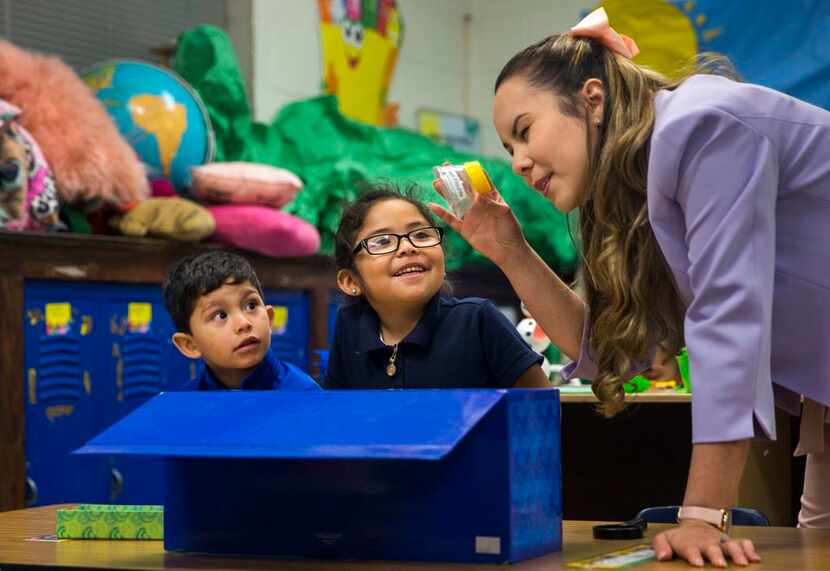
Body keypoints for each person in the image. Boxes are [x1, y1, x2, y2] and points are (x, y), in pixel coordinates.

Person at [431, 6, 830, 568]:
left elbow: (729, 316)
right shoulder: (642, 186)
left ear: (592, 99)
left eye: (524, 132)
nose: (519, 163)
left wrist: (700, 515)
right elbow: (614, 350)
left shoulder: (702, 123)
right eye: (508, 150)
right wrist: (510, 252)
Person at [324, 183, 550, 390]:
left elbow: (542, 408)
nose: (407, 247)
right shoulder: (350, 326)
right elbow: (338, 414)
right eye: (382, 241)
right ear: (351, 281)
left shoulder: (478, 321)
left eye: (421, 235)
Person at [163, 250, 320, 391]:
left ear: (269, 319)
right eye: (220, 315)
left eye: (251, 305)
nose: (244, 323)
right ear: (190, 345)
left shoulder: (303, 395)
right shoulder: (187, 405)